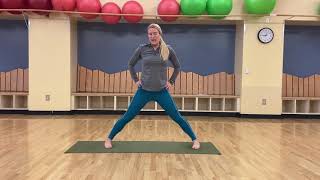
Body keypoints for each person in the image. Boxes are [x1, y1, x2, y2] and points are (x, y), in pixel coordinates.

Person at [104, 23, 200, 150]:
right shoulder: (142, 49)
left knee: (177, 117)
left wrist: (171, 82)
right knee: (128, 116)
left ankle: (195, 139)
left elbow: (177, 67)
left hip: (161, 92)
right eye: (150, 34)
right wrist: (136, 80)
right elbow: (131, 64)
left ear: (160, 34)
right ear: (148, 35)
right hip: (144, 91)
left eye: (155, 33)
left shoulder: (167, 49)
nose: (152, 36)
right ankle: (109, 138)